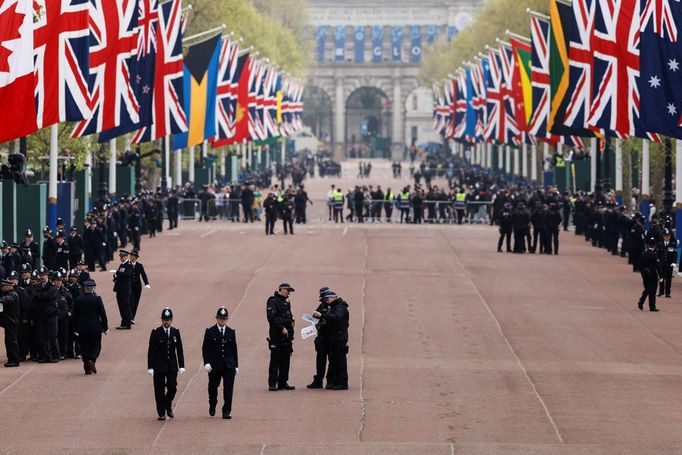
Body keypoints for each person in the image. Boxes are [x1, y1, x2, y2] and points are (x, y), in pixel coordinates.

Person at [147, 307, 185, 421]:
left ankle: (167, 404)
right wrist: (150, 367)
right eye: (164, 319)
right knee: (159, 390)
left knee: (172, 387)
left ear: (171, 320)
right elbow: (151, 351)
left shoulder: (175, 332)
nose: (166, 321)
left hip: (172, 365)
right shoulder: (156, 332)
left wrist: (182, 365)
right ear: (161, 320)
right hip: (159, 365)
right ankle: (161, 412)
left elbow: (179, 349)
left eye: (168, 319)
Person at [202, 307, 238, 419]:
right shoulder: (210, 331)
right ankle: (212, 404)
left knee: (228, 389)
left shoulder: (231, 332)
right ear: (217, 319)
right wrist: (206, 362)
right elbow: (205, 348)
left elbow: (234, 349)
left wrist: (236, 365)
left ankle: (226, 411)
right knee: (213, 388)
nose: (222, 321)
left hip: (228, 365)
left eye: (224, 319)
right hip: (215, 365)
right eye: (220, 318)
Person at [313, 290, 349, 390]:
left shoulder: (340, 306)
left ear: (333, 297)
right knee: (333, 361)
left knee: (340, 361)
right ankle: (335, 381)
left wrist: (322, 316)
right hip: (333, 338)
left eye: (327, 299)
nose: (326, 301)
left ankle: (342, 382)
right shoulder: (332, 306)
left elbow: (337, 318)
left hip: (339, 337)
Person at [72, 279, 108, 374]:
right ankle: (92, 359)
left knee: (84, 348)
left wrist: (75, 328)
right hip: (95, 327)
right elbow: (102, 314)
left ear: (84, 288)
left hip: (82, 328)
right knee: (96, 345)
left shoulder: (78, 299)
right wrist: (105, 327)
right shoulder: (97, 299)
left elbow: (75, 315)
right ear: (93, 289)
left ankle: (87, 369)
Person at [266, 283, 295, 391]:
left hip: (286, 336)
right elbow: (271, 317)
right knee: (275, 360)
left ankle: (283, 382)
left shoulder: (286, 302)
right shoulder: (272, 301)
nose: (289, 293)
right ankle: (272, 384)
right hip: (276, 336)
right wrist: (281, 327)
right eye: (287, 290)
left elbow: (288, 317)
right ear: (281, 289)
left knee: (285, 360)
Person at [307, 287, 331, 389]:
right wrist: (315, 320)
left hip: (331, 337)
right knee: (320, 360)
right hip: (321, 336)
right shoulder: (322, 305)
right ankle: (318, 380)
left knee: (332, 360)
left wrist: (322, 317)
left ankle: (330, 380)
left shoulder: (335, 306)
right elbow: (314, 317)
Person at [0, 278, 20, 367]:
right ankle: (11, 359)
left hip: (12, 322)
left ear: (9, 286)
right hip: (9, 322)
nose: (1, 288)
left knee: (12, 341)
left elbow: (5, 300)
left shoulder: (12, 295)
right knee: (9, 341)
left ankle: (14, 360)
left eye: (3, 286)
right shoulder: (9, 294)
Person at [113, 250, 133, 330]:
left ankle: (127, 324)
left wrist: (117, 273)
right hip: (119, 289)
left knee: (125, 307)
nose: (121, 258)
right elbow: (119, 275)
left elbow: (128, 274)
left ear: (126, 256)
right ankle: (123, 322)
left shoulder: (128, 265)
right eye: (121, 256)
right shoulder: (122, 265)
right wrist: (115, 277)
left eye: (123, 256)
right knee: (121, 307)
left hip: (124, 290)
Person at [638, 238, 660, 312]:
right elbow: (657, 266)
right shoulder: (654, 255)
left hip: (645, 275)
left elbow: (640, 266)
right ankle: (652, 306)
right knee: (652, 291)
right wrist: (661, 275)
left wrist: (642, 274)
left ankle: (641, 301)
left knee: (647, 289)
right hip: (652, 275)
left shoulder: (643, 254)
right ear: (654, 245)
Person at [129, 250, 150, 324]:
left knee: (135, 303)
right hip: (129, 287)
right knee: (130, 302)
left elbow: (143, 275)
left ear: (135, 257)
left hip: (137, 287)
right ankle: (130, 317)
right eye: (130, 255)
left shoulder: (139, 265)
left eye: (132, 255)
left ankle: (132, 318)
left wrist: (146, 283)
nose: (130, 256)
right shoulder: (127, 264)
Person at [658, 229, 677, 298]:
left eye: (668, 236)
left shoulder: (673, 244)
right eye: (665, 236)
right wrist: (658, 261)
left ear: (670, 236)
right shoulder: (660, 244)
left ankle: (667, 293)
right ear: (663, 236)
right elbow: (658, 254)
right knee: (661, 278)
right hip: (662, 264)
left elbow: (675, 254)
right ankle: (661, 291)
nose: (667, 237)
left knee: (669, 279)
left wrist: (674, 262)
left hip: (669, 264)